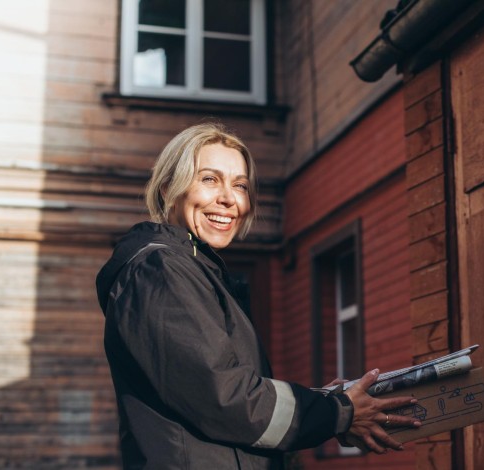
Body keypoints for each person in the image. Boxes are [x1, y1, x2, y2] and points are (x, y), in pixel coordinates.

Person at [96, 122, 420, 469]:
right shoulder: (160, 271)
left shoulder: (191, 270)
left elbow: (222, 390)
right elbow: (222, 397)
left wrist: (320, 401)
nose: (228, 198)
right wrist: (337, 413)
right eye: (209, 179)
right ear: (167, 189)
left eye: (240, 185)